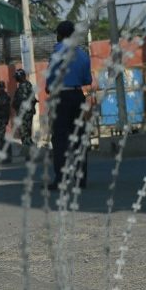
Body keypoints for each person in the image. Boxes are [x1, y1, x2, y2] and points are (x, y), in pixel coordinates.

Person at [46, 20, 93, 190]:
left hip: (61, 97)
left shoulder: (56, 53)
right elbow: (88, 79)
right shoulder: (82, 54)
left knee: (60, 139)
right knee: (79, 138)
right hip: (78, 96)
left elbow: (50, 81)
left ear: (59, 35)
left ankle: (61, 179)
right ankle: (81, 180)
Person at [12, 68, 35, 147]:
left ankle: (27, 150)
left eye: (17, 77)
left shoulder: (25, 85)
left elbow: (24, 99)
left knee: (25, 133)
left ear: (20, 76)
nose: (16, 79)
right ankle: (28, 148)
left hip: (25, 113)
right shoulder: (23, 86)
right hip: (25, 112)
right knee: (26, 133)